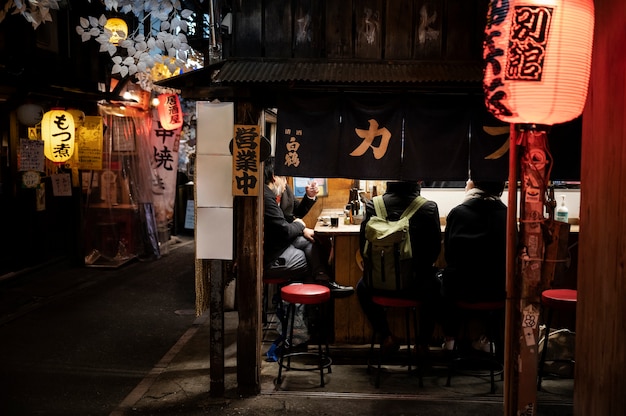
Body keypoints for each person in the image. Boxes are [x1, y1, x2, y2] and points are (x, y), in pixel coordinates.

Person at [356, 181, 442, 353]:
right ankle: (422, 343)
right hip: (415, 286)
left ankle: (386, 335)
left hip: (378, 286)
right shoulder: (429, 207)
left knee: (361, 288)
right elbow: (434, 250)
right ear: (417, 182)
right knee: (436, 286)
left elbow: (363, 243)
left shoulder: (374, 204)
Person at [263, 158, 354, 296]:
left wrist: (309, 197)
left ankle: (322, 284)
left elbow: (296, 212)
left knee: (312, 243)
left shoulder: (283, 190)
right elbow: (287, 229)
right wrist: (300, 226)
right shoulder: (266, 196)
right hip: (274, 250)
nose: (286, 183)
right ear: (275, 177)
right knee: (312, 260)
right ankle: (317, 295)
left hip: (284, 241)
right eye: (285, 178)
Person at [440, 179, 507, 351]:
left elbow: (449, 255)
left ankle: (450, 338)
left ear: (474, 185)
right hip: (496, 293)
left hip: (461, 291)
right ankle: (488, 339)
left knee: (444, 279)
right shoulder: (506, 214)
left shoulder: (458, 213)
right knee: (502, 279)